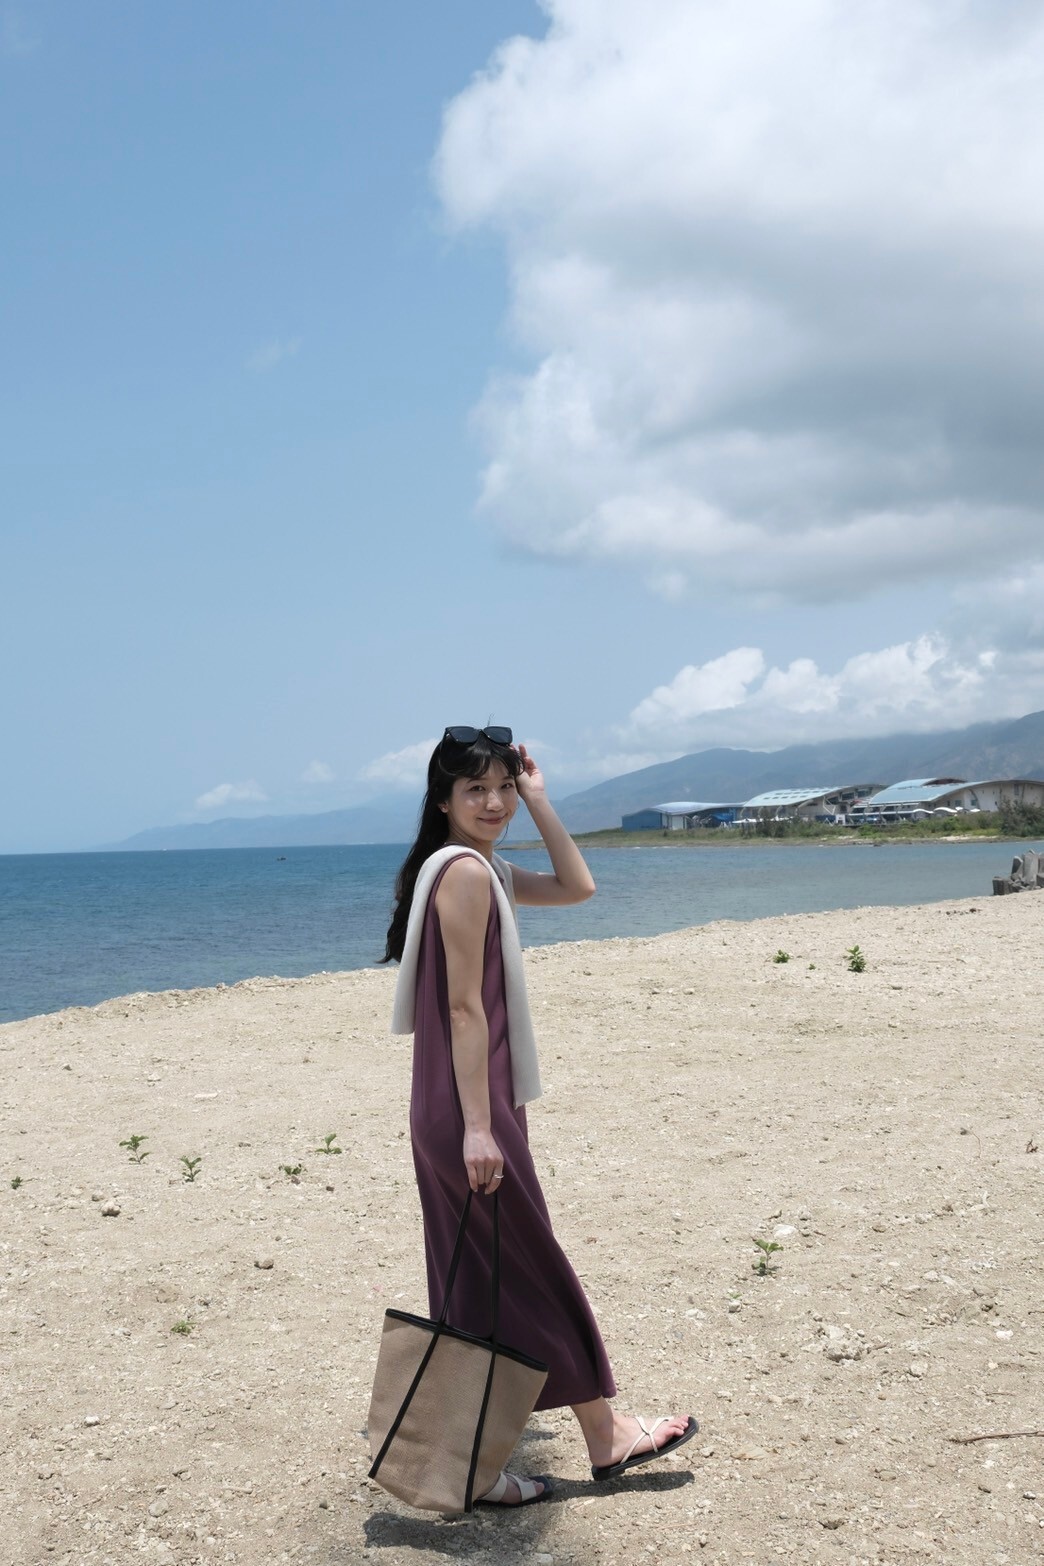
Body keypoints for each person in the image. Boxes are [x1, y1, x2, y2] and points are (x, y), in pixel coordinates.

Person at [383, 725, 697, 1507]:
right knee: (531, 1267)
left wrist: (542, 801)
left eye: (504, 789)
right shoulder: (464, 875)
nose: (494, 803)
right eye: (475, 790)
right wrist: (479, 1127)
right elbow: (463, 1009)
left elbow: (577, 886)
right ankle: (605, 1435)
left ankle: (468, 1467)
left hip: (464, 1101)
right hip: (471, 1107)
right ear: (444, 799)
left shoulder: (479, 867)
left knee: (479, 1282)